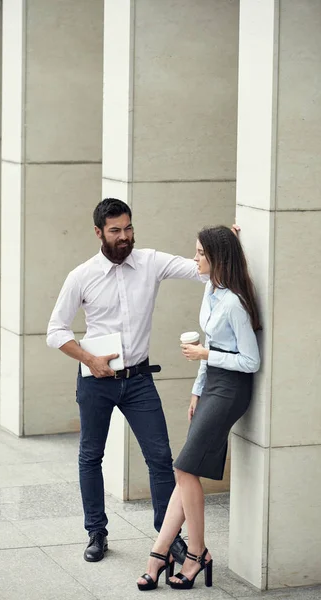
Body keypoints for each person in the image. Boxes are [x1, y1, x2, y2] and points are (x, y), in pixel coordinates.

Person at [46, 198, 211, 565]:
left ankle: (168, 537)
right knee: (91, 457)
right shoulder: (82, 275)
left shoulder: (150, 261)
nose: (124, 237)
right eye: (116, 230)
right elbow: (55, 331)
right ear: (99, 233)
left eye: (129, 228)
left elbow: (200, 271)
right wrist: (89, 358)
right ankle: (96, 533)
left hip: (138, 380)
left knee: (160, 458)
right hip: (95, 381)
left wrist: (222, 245)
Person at [137, 225, 261, 591]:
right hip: (212, 386)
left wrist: (207, 355)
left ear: (217, 258)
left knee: (182, 467)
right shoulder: (211, 289)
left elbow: (251, 361)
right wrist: (196, 389)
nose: (194, 259)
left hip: (233, 389)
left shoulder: (236, 302)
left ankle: (195, 552)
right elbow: (208, 339)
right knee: (185, 470)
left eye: (200, 254)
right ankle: (161, 552)